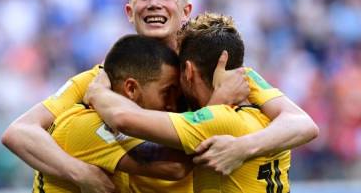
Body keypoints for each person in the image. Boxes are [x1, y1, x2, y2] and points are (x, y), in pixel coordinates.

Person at [2, 0, 318, 192]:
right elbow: (20, 132)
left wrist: (244, 147)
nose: (154, 3)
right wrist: (80, 172)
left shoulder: (216, 70)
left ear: (185, 11)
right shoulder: (103, 79)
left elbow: (301, 123)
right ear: (130, 10)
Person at [85, 13, 296, 193]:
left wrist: (97, 90)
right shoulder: (269, 116)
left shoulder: (217, 122)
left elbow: (122, 119)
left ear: (188, 71)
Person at [32, 34, 194, 193]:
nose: (172, 105)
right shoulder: (89, 124)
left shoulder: (107, 119)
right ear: (131, 89)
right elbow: (175, 166)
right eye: (166, 93)